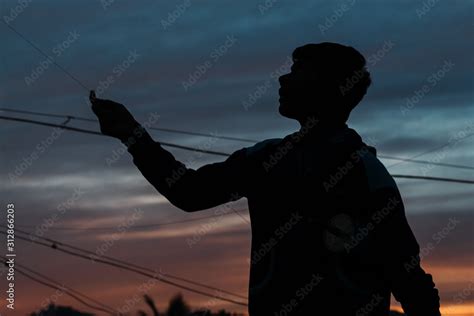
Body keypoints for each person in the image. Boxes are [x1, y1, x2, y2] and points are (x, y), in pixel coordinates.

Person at [91, 42, 441, 315]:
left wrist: (133, 136)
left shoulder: (360, 174)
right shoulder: (270, 160)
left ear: (327, 87)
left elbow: (406, 276)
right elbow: (188, 192)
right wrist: (131, 134)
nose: (283, 78)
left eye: (298, 72)